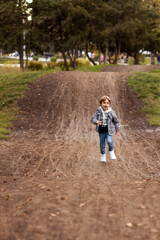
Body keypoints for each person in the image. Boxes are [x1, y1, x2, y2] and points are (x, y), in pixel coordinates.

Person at [91, 96, 120, 162]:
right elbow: (93, 119)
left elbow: (116, 122)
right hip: (101, 131)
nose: (106, 104)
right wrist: (96, 121)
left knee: (109, 141)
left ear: (109, 104)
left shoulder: (112, 112)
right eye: (104, 103)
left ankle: (111, 151)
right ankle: (103, 155)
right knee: (102, 144)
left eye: (107, 103)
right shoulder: (98, 111)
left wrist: (117, 130)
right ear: (101, 103)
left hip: (109, 130)